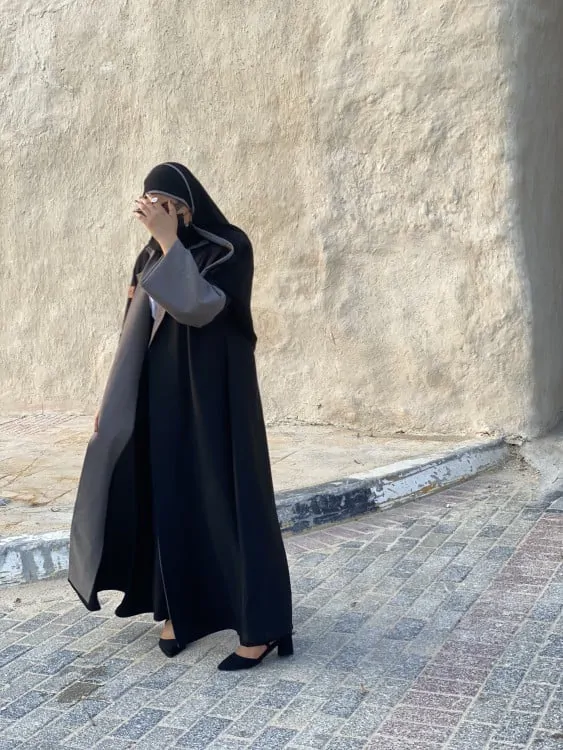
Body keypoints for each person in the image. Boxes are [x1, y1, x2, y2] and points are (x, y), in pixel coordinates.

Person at [69, 162, 293, 671]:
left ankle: (261, 628)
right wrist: (111, 401)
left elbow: (200, 306)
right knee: (169, 500)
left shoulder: (230, 247)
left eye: (164, 204)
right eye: (149, 205)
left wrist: (170, 241)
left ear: (186, 204)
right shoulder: (149, 255)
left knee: (229, 500)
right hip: (163, 395)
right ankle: (179, 611)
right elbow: (133, 330)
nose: (156, 214)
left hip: (217, 398)